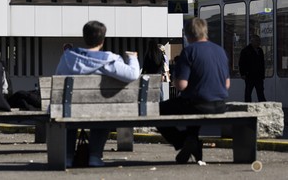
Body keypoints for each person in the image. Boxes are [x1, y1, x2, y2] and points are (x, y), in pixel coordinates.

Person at [55, 20, 140, 167]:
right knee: (103, 110)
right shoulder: (109, 60)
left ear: (84, 37)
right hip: (100, 110)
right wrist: (132, 58)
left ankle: (67, 157)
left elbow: (57, 80)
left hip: (71, 111)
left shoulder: (68, 58)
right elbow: (133, 75)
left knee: (66, 112)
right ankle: (94, 156)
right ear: (102, 40)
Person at [157, 17, 230, 164]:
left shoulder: (189, 52)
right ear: (205, 32)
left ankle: (183, 141)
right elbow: (226, 84)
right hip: (220, 105)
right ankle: (192, 143)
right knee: (191, 107)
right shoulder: (220, 51)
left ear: (188, 35)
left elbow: (182, 85)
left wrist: (177, 80)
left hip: (196, 104)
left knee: (159, 110)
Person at [239, 35, 266, 102]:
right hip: (249, 76)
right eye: (257, 41)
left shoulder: (260, 51)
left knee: (260, 93)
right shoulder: (245, 51)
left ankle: (263, 105)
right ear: (252, 41)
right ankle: (247, 105)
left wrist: (262, 75)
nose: (258, 42)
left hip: (258, 76)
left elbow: (262, 64)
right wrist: (243, 73)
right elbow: (241, 63)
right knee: (248, 92)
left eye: (259, 41)